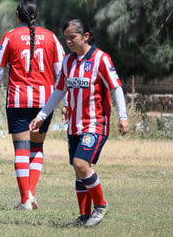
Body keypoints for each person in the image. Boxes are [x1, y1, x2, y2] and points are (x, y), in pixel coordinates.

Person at [29, 18, 129, 226]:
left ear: (86, 36)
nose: (69, 42)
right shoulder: (68, 61)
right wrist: (41, 116)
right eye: (66, 39)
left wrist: (123, 116)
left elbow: (116, 87)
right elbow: (59, 90)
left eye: (72, 37)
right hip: (74, 126)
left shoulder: (101, 59)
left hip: (95, 125)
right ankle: (83, 217)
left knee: (81, 163)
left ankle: (101, 206)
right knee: (79, 169)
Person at [0, 0, 65, 210]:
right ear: (36, 15)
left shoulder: (10, 37)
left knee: (21, 150)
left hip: (18, 100)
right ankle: (30, 194)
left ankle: (25, 200)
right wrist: (64, 102)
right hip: (45, 103)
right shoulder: (51, 37)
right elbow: (61, 72)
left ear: (17, 14)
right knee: (37, 147)